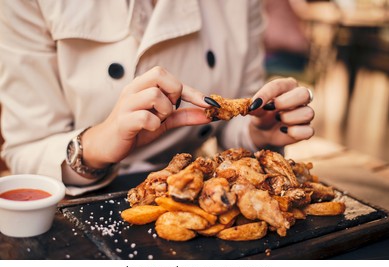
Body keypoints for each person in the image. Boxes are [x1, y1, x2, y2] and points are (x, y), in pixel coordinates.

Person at [0, 0, 314, 196]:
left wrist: (257, 132)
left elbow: (234, 117)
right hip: (79, 202)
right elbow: (25, 150)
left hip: (195, 188)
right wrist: (95, 146)